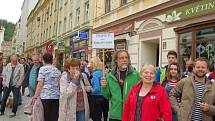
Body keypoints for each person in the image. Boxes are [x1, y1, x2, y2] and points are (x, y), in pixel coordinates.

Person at [101, 50, 140, 121]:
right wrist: (104, 87)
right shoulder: (109, 76)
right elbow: (107, 96)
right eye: (121, 58)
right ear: (116, 60)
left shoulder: (136, 75)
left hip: (131, 114)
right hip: (115, 115)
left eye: (126, 57)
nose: (124, 60)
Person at [33, 53, 61, 121]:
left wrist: (35, 96)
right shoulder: (57, 70)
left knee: (45, 116)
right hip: (56, 97)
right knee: (54, 117)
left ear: (43, 60)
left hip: (45, 96)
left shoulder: (42, 69)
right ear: (52, 60)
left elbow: (40, 84)